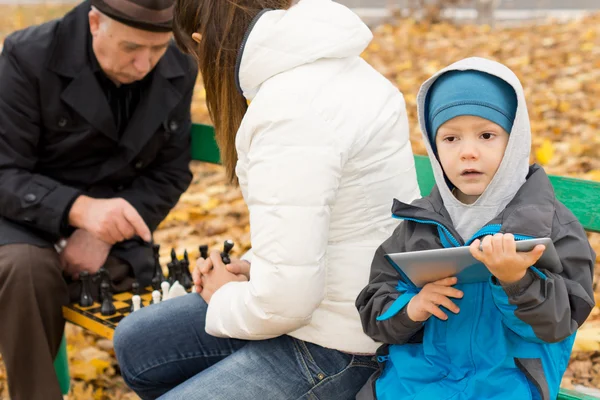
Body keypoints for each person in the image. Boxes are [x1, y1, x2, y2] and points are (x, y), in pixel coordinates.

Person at [112, 0, 421, 399]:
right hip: (346, 302)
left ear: (203, 41)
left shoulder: (288, 111)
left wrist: (225, 295)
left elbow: (287, 302)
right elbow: (342, 218)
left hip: (343, 342)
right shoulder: (340, 65)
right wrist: (258, 267)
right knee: (139, 342)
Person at [355, 57, 596, 400]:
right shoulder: (418, 224)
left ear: (514, 141)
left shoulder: (552, 226)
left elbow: (557, 324)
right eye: (451, 138)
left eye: (486, 135)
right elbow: (375, 309)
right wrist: (412, 308)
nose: (468, 152)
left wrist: (517, 281)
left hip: (505, 385)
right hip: (415, 384)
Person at [0, 0, 197, 398]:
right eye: (131, 49)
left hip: (115, 236)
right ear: (94, 22)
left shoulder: (178, 63)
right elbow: (4, 171)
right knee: (24, 274)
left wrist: (103, 231)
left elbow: (170, 172)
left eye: (156, 50)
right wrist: (80, 210)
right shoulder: (28, 54)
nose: (145, 65)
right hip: (25, 218)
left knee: (177, 291)